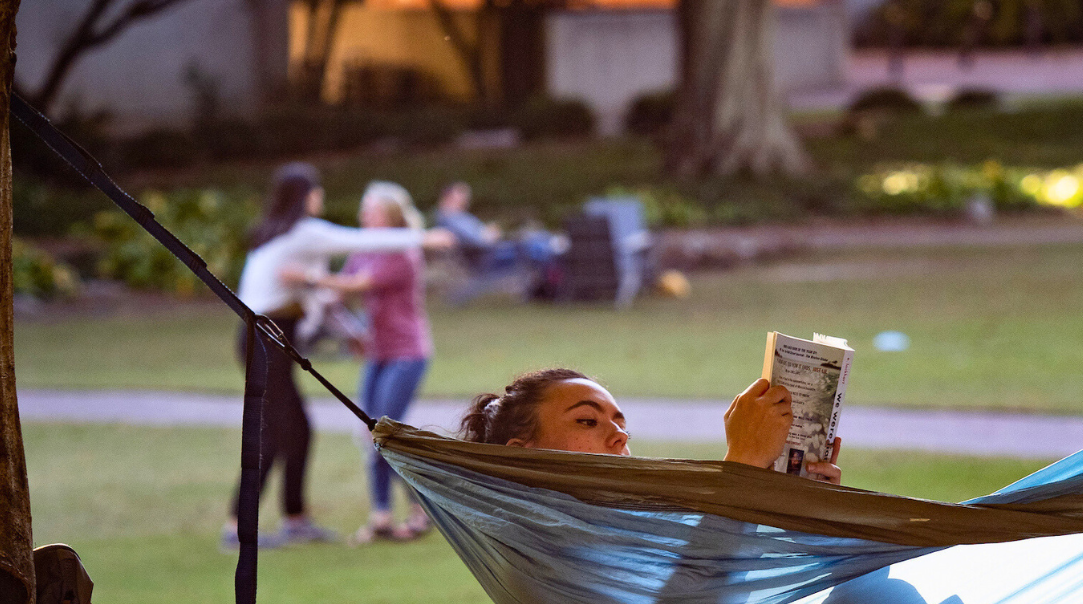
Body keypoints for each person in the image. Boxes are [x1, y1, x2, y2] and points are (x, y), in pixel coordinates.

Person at [223, 163, 454, 552]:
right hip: (265, 340)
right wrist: (424, 238)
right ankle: (238, 527)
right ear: (304, 195)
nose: (321, 197)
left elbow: (318, 300)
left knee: (296, 432)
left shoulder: (285, 238)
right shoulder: (303, 233)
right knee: (278, 434)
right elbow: (362, 242)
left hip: (271, 340)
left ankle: (295, 520)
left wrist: (349, 331)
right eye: (316, 191)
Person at [315, 181, 435, 544]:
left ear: (391, 216)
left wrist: (303, 277)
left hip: (407, 352)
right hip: (378, 352)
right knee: (373, 435)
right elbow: (343, 289)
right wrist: (351, 329)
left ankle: (421, 508)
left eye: (371, 209)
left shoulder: (402, 252)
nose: (363, 215)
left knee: (385, 434)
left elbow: (357, 285)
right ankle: (381, 515)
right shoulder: (365, 249)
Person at [456, 369, 841, 482]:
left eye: (621, 425)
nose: (620, 435)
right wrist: (744, 461)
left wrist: (810, 507)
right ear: (523, 456)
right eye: (587, 420)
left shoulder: (641, 521)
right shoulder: (555, 554)